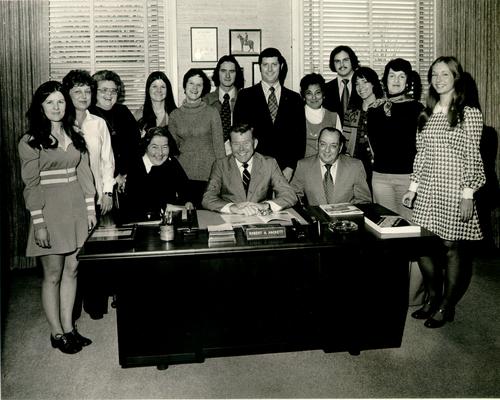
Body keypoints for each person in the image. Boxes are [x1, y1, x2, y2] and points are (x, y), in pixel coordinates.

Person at [402, 56, 486, 328]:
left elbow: (473, 157)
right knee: (424, 246)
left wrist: (468, 194)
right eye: (434, 75)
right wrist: (413, 188)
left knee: (451, 249)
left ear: (455, 79)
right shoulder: (427, 113)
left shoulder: (468, 113)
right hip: (428, 188)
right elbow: (421, 154)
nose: (438, 80)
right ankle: (432, 297)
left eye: (445, 75)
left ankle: (447, 305)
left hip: (455, 190)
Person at [18, 81, 96, 354]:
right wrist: (39, 223)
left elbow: (85, 173)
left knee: (73, 269)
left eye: (60, 101)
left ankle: (69, 327)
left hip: (76, 206)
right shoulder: (29, 141)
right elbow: (31, 184)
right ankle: (56, 332)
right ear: (40, 107)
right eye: (49, 102)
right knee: (53, 274)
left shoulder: (75, 133)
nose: (56, 107)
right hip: (49, 211)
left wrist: (90, 209)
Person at [233, 47, 305, 182]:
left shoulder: (295, 99)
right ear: (260, 67)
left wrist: (290, 168)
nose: (270, 69)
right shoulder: (245, 96)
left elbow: (299, 139)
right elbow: (240, 135)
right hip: (255, 170)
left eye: (274, 65)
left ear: (281, 66)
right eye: (265, 65)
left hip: (287, 171)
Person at [367, 58, 423, 221]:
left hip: (408, 179)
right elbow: (373, 145)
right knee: (386, 225)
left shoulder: (418, 109)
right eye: (392, 76)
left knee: (410, 226)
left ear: (408, 82)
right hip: (381, 178)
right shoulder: (374, 110)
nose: (396, 80)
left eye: (401, 76)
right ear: (385, 80)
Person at [202, 123, 297, 214]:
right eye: (236, 144)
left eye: (246, 143)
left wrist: (264, 206)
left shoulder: (269, 163)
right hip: (231, 219)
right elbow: (208, 198)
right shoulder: (220, 165)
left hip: (260, 220)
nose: (241, 149)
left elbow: (289, 195)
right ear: (230, 145)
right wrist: (232, 208)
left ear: (255, 143)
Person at [169, 68, 226, 207]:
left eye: (199, 85)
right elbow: (173, 152)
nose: (194, 88)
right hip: (183, 178)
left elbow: (219, 148)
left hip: (209, 178)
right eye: (191, 83)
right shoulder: (174, 115)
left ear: (203, 88)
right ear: (184, 86)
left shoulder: (212, 113)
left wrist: (223, 177)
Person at [62, 69, 115, 216]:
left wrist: (108, 193)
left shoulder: (99, 124)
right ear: (68, 94)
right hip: (69, 198)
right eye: (78, 92)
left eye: (88, 91)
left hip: (97, 198)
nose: (84, 96)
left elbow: (107, 161)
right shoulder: (60, 126)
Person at [121, 127, 194, 222]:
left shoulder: (171, 163)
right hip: (140, 223)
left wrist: (188, 201)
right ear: (146, 147)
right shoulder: (134, 166)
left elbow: (186, 188)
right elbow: (136, 204)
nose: (160, 153)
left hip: (168, 222)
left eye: (164, 147)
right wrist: (167, 206)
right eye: (154, 147)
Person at [89, 70, 141, 194]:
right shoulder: (89, 114)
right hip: (101, 181)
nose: (109, 94)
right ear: (94, 92)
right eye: (104, 90)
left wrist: (127, 176)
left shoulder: (123, 111)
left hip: (128, 179)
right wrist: (116, 175)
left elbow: (136, 144)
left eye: (113, 90)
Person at [291, 127, 371, 206]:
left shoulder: (355, 166)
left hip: (346, 218)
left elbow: (364, 201)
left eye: (333, 146)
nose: (327, 150)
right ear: (317, 144)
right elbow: (293, 196)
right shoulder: (304, 166)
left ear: (340, 147)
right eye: (323, 144)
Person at [343, 66, 385, 189]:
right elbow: (345, 142)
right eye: (357, 84)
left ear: (373, 84)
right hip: (356, 164)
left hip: (379, 166)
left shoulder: (384, 108)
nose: (360, 87)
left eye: (365, 82)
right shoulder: (351, 112)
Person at [203, 55, 244, 154]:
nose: (227, 75)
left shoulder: (245, 99)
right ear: (218, 73)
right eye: (223, 71)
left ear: (237, 74)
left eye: (232, 71)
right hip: (212, 153)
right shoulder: (206, 101)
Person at [299, 73, 342, 157]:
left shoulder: (334, 116)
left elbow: (339, 145)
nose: (314, 97)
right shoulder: (296, 116)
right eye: (309, 93)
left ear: (323, 94)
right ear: (303, 96)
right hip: (302, 166)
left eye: (317, 93)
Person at [323, 45, 360, 124]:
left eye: (345, 60)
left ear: (352, 61)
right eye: (337, 61)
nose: (341, 64)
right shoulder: (325, 89)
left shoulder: (364, 86)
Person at [134, 71, 177, 135]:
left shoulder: (176, 114)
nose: (159, 90)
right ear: (148, 89)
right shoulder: (139, 115)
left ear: (168, 90)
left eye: (163, 87)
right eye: (154, 86)